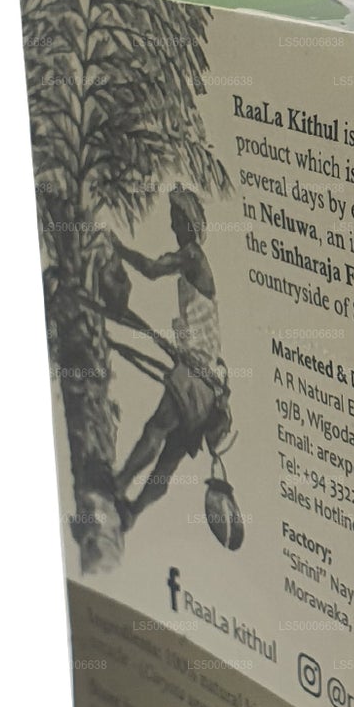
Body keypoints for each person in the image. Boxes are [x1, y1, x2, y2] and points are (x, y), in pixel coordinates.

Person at [110, 186, 232, 524]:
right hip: (209, 390)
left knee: (156, 428)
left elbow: (151, 269)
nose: (172, 226)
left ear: (188, 223)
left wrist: (118, 248)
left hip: (195, 375)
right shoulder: (196, 263)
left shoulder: (192, 255)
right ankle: (132, 512)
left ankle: (118, 485)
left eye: (175, 220)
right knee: (169, 459)